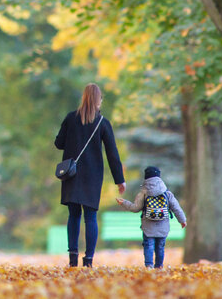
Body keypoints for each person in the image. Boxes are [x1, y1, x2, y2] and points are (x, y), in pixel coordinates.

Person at [55, 83, 126, 267]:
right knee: (90, 216)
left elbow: (58, 143)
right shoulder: (103, 123)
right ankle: (88, 260)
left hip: (72, 174)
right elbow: (112, 153)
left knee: (73, 215)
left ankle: (72, 258)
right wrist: (120, 180)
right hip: (93, 176)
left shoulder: (71, 118)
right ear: (98, 100)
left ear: (83, 98)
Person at [116, 166, 187, 268]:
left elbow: (135, 208)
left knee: (148, 246)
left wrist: (124, 203)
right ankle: (159, 266)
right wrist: (182, 220)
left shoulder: (143, 194)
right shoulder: (167, 194)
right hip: (163, 226)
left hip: (148, 227)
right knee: (160, 247)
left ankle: (149, 266)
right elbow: (177, 208)